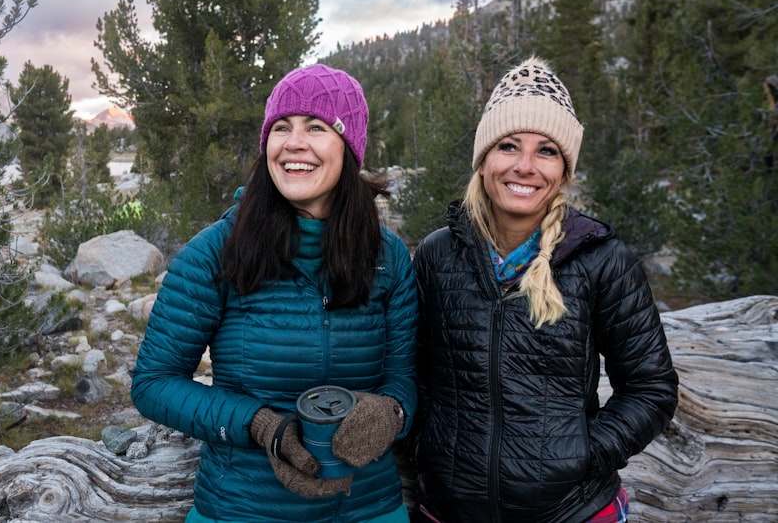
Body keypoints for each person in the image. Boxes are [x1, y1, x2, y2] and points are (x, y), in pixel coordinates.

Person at [131, 64, 417, 523]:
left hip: (367, 507)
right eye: (281, 127)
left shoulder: (387, 258)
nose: (294, 143)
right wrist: (262, 425)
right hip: (242, 507)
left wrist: (392, 412)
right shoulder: (214, 253)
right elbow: (153, 384)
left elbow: (403, 380)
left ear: (349, 148)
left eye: (316, 127)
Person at [411, 56, 679, 523]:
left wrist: (583, 455)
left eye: (547, 151)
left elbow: (651, 387)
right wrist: (429, 450)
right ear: (483, 159)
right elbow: (415, 371)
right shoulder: (438, 254)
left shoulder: (601, 260)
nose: (525, 166)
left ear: (564, 169)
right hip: (449, 509)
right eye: (509, 146)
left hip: (572, 511)